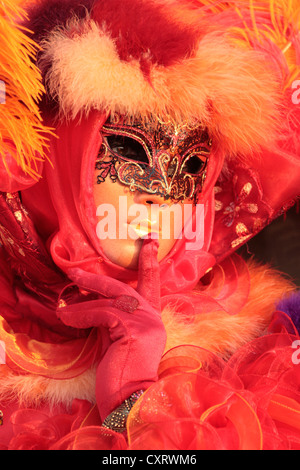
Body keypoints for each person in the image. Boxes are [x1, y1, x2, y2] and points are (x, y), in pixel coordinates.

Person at [0, 0, 299, 450]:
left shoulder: (266, 345)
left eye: (193, 163)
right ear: (51, 161)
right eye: (128, 149)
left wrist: (134, 401)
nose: (159, 193)